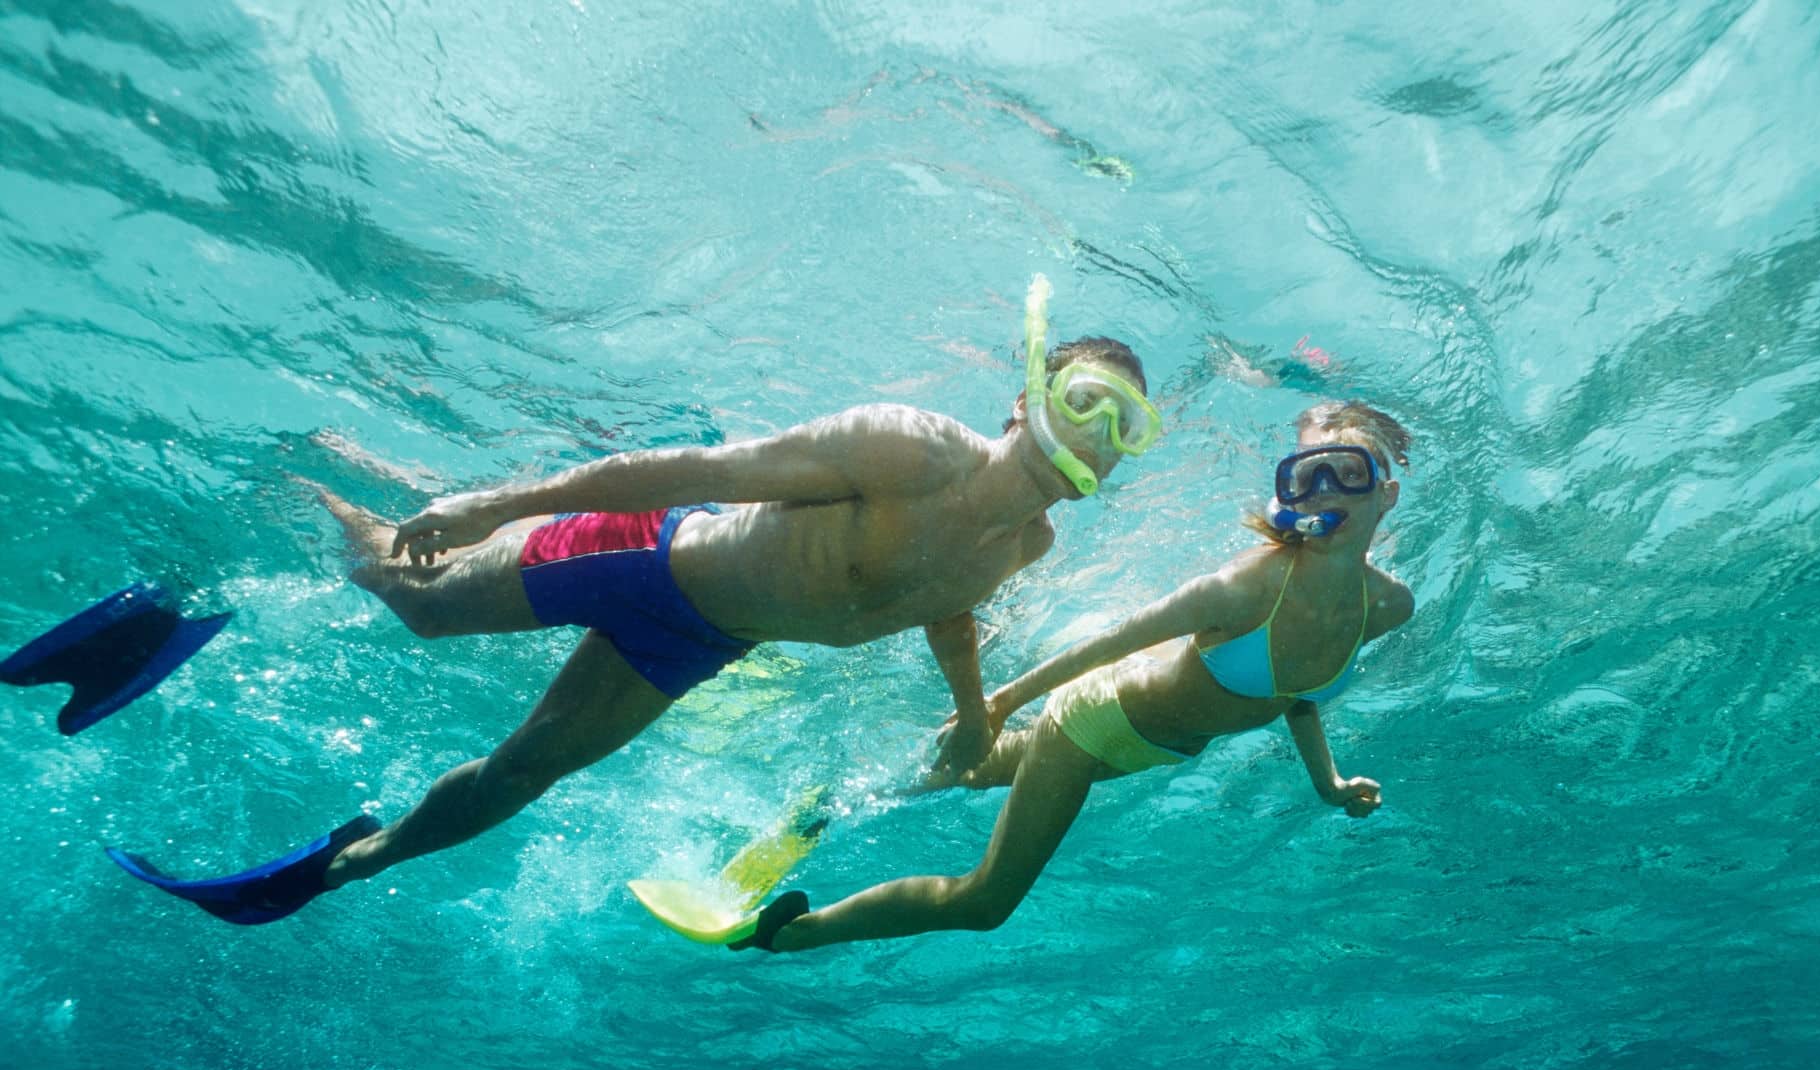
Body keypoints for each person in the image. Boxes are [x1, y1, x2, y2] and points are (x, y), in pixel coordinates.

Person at [107, 279, 1162, 925]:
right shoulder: (909, 447)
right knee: (411, 598)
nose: (1096, 440)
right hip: (645, 555)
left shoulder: (1027, 542)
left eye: (1125, 431)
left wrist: (974, 710)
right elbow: (687, 466)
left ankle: (346, 864)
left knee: (524, 774)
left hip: (699, 638)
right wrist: (493, 504)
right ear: (1026, 396)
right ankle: (301, 485)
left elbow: (945, 603)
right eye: (1084, 405)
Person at [751, 399, 1414, 953]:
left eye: (1345, 473)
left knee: (964, 772)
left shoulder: (1385, 606)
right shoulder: (1246, 587)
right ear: (1289, 494)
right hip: (1092, 724)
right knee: (985, 902)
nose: (1324, 491)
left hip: (1145, 749)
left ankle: (839, 802)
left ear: (1386, 495)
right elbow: (1111, 642)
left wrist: (1327, 783)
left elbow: (1296, 695)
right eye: (1307, 477)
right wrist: (997, 703)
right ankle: (789, 935)